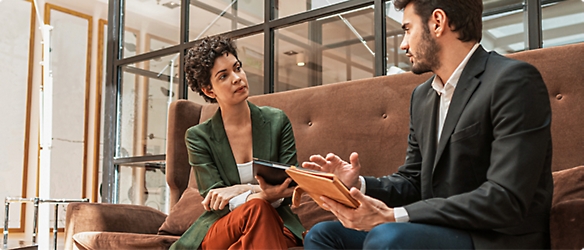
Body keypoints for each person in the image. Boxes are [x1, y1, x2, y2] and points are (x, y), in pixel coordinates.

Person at [302, 0, 553, 249]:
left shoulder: (513, 81)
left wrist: (394, 216)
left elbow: (505, 198)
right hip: (436, 229)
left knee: (388, 237)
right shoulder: (422, 96)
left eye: (408, 29)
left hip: (494, 238)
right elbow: (413, 180)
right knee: (324, 234)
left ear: (437, 22)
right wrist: (357, 185)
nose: (403, 44)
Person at [170, 35, 304, 250]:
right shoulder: (198, 137)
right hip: (224, 225)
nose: (237, 78)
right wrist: (260, 194)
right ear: (209, 90)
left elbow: (291, 184)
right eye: (223, 76)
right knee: (257, 208)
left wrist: (240, 188)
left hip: (278, 222)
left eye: (237, 68)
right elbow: (217, 201)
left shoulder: (277, 121)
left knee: (259, 216)